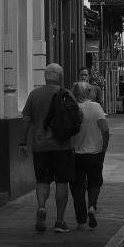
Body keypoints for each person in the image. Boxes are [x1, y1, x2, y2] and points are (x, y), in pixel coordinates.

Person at [19, 64, 83, 233]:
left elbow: (25, 120)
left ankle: (41, 208)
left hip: (40, 147)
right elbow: (79, 117)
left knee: (42, 181)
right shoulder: (66, 94)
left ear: (45, 77)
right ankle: (60, 221)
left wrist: (23, 143)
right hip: (62, 146)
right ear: (60, 77)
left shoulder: (34, 95)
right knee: (62, 182)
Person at [69, 82, 109, 230]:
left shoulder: (72, 108)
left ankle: (81, 220)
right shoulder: (96, 107)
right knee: (95, 182)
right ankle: (92, 206)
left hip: (75, 153)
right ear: (87, 92)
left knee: (77, 186)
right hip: (95, 152)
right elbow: (104, 129)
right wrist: (104, 147)